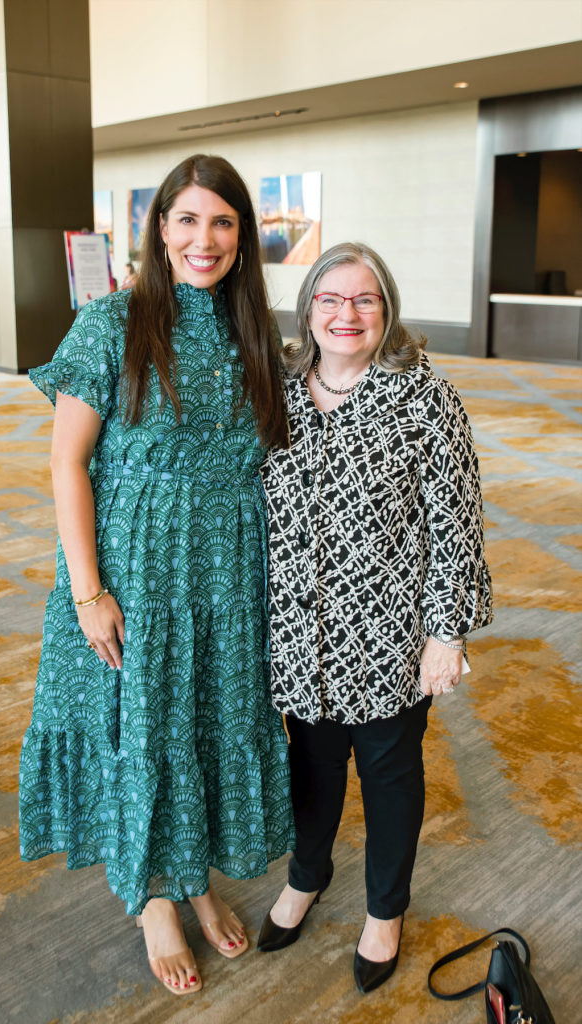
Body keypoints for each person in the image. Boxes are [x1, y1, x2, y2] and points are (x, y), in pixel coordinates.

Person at [19, 154, 295, 998]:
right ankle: (153, 901)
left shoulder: (254, 330)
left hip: (228, 576)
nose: (202, 239)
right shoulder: (112, 323)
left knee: (206, 725)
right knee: (145, 730)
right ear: (160, 229)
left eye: (221, 222)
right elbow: (68, 464)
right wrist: (87, 592)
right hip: (135, 573)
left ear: (242, 238)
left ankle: (194, 876)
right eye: (186, 220)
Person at [258, 242, 493, 994]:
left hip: (390, 634)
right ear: (308, 311)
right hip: (300, 628)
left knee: (390, 771)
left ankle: (384, 910)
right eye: (330, 299)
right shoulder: (280, 389)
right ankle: (306, 876)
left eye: (364, 299)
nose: (346, 314)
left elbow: (456, 522)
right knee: (311, 763)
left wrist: (444, 632)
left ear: (385, 310)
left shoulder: (423, 395)